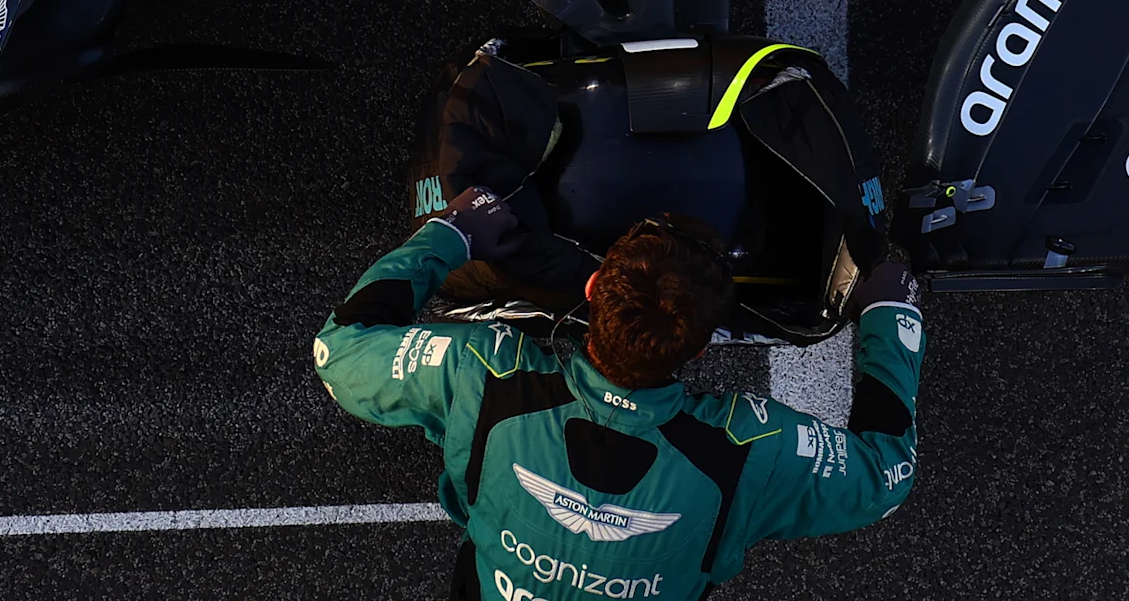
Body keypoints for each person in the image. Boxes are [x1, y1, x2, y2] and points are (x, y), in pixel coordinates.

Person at [315, 191, 923, 597]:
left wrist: (450, 233)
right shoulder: (746, 451)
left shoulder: (481, 374)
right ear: (704, 349)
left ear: (592, 286)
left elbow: (338, 351)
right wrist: (891, 318)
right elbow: (886, 473)